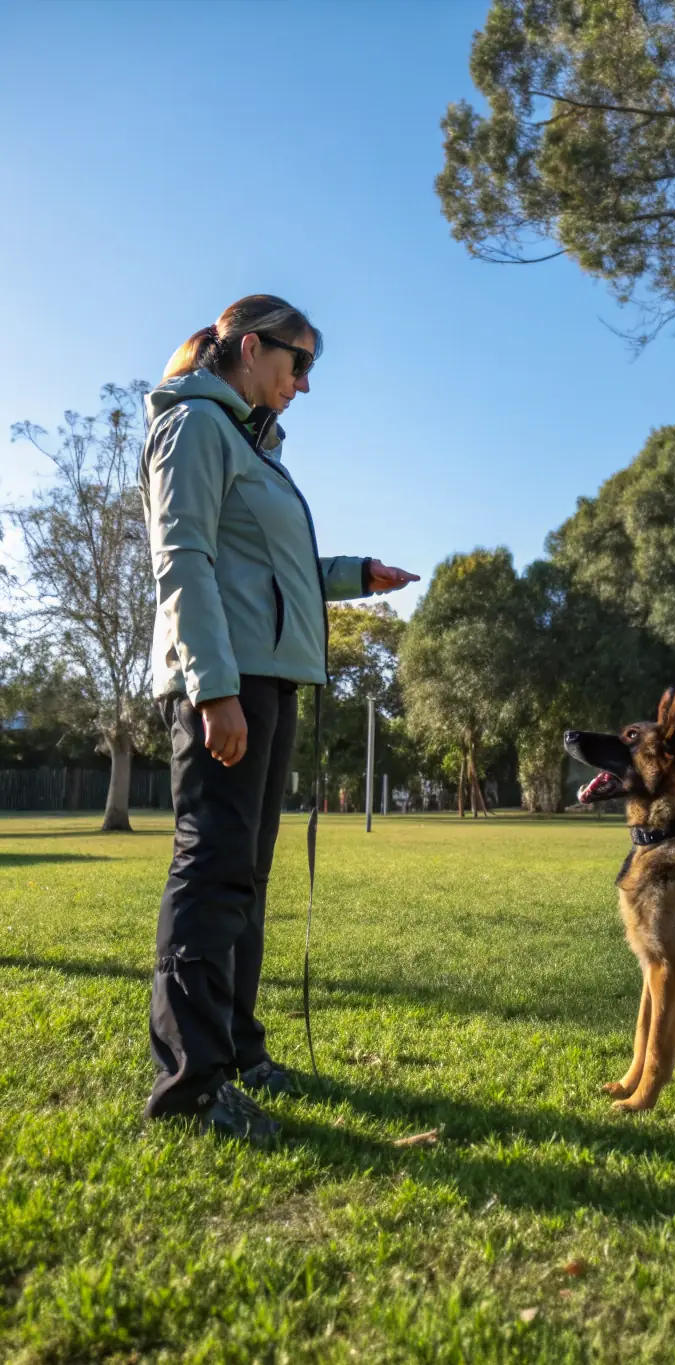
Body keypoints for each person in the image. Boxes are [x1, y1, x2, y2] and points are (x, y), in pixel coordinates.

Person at [139, 294, 418, 1145]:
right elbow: (182, 555)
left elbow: (269, 563)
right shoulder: (192, 426)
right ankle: (190, 1085)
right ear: (253, 348)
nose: (304, 383)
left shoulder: (250, 442)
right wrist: (213, 689)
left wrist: (351, 573)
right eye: (299, 364)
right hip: (225, 684)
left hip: (266, 681)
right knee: (213, 870)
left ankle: (242, 1053)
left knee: (247, 882)